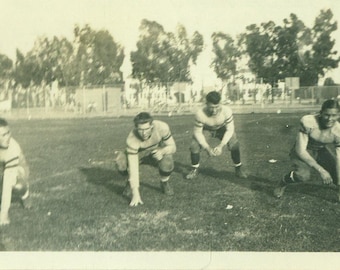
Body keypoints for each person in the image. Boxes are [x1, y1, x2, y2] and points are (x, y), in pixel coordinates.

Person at [274, 99, 340, 201]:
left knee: (337, 176)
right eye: (326, 114)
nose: (329, 119)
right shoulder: (309, 121)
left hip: (321, 150)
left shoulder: (338, 131)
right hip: (304, 149)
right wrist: (321, 170)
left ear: (339, 115)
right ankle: (283, 182)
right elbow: (301, 150)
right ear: (321, 113)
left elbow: (339, 159)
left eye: (334, 115)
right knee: (303, 176)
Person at [115, 112, 176, 206]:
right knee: (121, 163)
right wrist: (136, 194)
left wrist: (162, 151)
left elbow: (173, 147)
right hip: (138, 154)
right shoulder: (132, 139)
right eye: (140, 130)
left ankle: (164, 182)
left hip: (154, 152)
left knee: (168, 161)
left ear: (151, 126)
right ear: (136, 128)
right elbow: (133, 167)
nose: (144, 133)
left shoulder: (162, 127)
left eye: (146, 129)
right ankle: (129, 182)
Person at [186, 90, 247, 180]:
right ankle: (194, 169)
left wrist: (221, 145)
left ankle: (238, 169)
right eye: (211, 107)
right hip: (206, 129)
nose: (214, 111)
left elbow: (230, 130)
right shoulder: (200, 113)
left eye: (217, 107)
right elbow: (197, 132)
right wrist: (207, 148)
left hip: (222, 129)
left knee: (234, 143)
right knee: (194, 145)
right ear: (206, 104)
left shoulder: (226, 111)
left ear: (220, 103)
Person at [0, 118, 30, 225]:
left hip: (18, 170)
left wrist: (3, 213)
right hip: (3, 169)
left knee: (14, 183)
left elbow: (8, 177)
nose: (7, 137)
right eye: (3, 135)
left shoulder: (12, 147)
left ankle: (25, 193)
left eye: (8, 133)